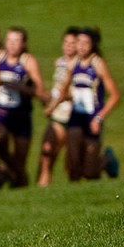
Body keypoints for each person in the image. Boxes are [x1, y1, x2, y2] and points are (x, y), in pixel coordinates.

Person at [46, 27, 120, 181]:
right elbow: (65, 91)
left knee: (90, 173)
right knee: (73, 165)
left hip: (93, 119)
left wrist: (99, 118)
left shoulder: (97, 64)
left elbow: (115, 96)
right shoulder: (73, 64)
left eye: (86, 43)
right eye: (79, 42)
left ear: (92, 45)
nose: (81, 46)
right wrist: (52, 107)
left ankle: (106, 160)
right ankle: (71, 200)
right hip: (76, 118)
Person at [0, 27, 45, 188]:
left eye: (16, 41)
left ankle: (21, 192)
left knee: (19, 163)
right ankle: (3, 173)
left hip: (22, 116)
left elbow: (39, 90)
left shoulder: (27, 61)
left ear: (23, 44)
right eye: (9, 40)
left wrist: (15, 86)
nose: (12, 45)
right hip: (1, 114)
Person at [37, 28, 78, 186]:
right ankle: (41, 192)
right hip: (58, 116)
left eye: (72, 43)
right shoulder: (59, 62)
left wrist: (54, 104)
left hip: (74, 116)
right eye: (65, 42)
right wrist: (47, 97)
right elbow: (58, 88)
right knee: (47, 152)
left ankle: (106, 162)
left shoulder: (79, 65)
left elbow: (72, 93)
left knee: (72, 164)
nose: (68, 46)